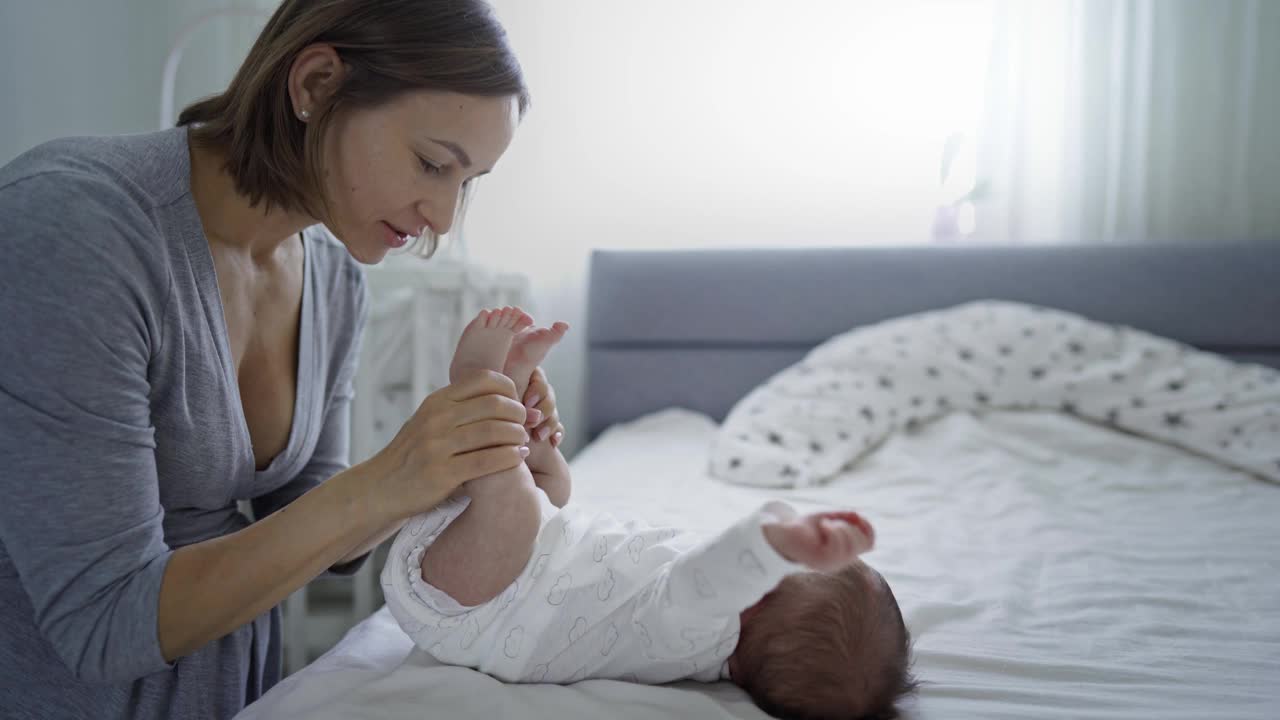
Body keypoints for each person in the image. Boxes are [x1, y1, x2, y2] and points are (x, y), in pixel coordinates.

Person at [0, 2, 554, 718]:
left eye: (467, 181)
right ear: (317, 84)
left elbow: (314, 521)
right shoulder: (80, 230)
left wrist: (469, 458)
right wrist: (394, 475)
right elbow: (104, 620)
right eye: (430, 163)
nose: (444, 219)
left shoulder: (332, 278)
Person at [382, 307, 918, 720]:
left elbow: (715, 576)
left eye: (779, 570)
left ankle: (476, 387)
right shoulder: (695, 635)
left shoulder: (696, 627)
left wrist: (781, 544)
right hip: (499, 572)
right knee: (555, 489)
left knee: (516, 503)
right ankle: (514, 410)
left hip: (482, 607)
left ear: (754, 599)